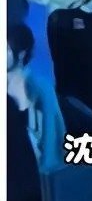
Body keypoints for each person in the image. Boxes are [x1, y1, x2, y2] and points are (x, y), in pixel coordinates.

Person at [7, 24, 66, 174]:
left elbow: (52, 135)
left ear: (21, 53)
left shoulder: (41, 88)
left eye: (5, 50)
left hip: (36, 171)